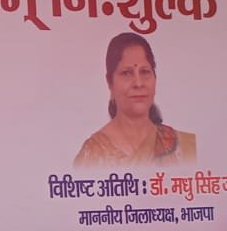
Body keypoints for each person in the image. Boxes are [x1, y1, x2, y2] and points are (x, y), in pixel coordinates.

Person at [73, 34, 195, 168]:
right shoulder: (92, 155)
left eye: (145, 72)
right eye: (127, 73)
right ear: (110, 83)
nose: (138, 83)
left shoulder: (184, 148)